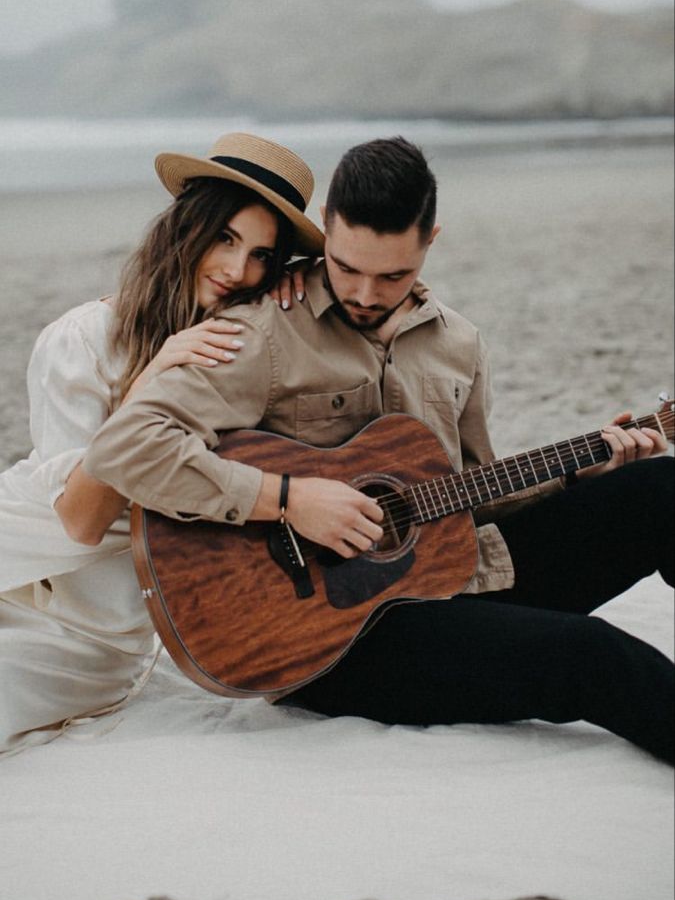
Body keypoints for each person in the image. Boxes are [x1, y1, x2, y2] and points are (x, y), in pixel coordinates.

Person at [82, 139, 673, 763]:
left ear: (430, 241)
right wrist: (288, 499)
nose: (365, 293)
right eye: (345, 268)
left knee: (659, 489)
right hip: (333, 639)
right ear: (325, 234)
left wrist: (579, 477)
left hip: (454, 584)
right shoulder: (261, 331)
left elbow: (472, 495)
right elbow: (126, 448)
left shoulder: (459, 344)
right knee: (591, 652)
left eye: (393, 275)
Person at [0, 132, 324, 755]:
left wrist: (308, 293)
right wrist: (149, 387)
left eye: (262, 256)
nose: (237, 271)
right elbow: (81, 521)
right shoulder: (82, 340)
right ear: (185, 228)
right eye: (225, 238)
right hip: (39, 567)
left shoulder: (249, 344)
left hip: (97, 632)